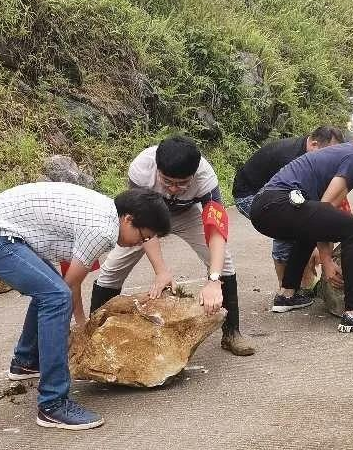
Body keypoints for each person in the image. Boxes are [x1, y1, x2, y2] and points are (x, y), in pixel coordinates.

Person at [0, 184, 171, 430]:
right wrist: (83, 327)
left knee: (51, 290)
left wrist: (82, 323)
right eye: (143, 236)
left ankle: (27, 362)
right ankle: (53, 404)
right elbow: (70, 286)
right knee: (56, 297)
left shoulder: (104, 212)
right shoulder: (103, 230)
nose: (141, 244)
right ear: (128, 219)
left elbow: (69, 280)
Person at [89, 136, 256, 356]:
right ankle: (95, 335)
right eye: (167, 181)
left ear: (194, 175)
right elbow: (142, 220)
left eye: (183, 183)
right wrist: (161, 271)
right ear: (157, 169)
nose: (174, 188)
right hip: (148, 219)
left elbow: (216, 228)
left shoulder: (206, 178)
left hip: (187, 215)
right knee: (111, 270)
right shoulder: (142, 168)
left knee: (223, 263)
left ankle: (232, 332)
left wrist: (214, 280)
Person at [249, 118, 353, 332]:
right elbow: (325, 210)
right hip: (278, 203)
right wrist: (327, 261)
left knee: (306, 229)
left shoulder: (344, 153)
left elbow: (318, 216)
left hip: (265, 207)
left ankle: (286, 295)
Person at [233, 126, 345, 291]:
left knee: (303, 226)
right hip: (250, 195)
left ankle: (304, 285)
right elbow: (287, 205)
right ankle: (285, 289)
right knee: (287, 228)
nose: (332, 159)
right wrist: (317, 246)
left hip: (273, 193)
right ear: (314, 144)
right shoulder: (291, 158)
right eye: (329, 153)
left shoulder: (310, 153)